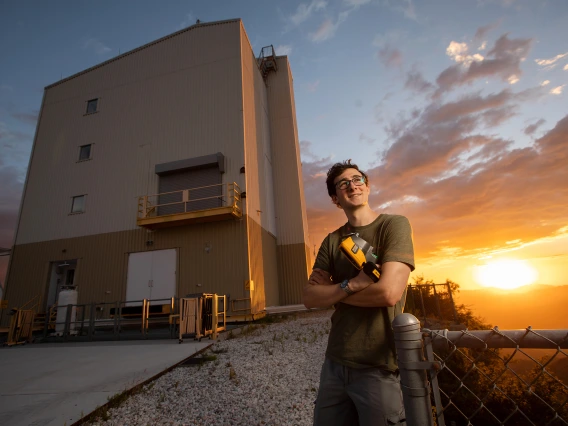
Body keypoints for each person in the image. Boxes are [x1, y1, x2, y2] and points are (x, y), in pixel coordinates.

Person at [303, 160, 415, 426]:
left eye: (358, 179)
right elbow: (309, 298)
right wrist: (352, 284)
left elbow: (388, 293)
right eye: (343, 184)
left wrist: (332, 294)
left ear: (367, 185)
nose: (352, 185)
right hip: (335, 362)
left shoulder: (393, 225)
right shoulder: (332, 241)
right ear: (335, 198)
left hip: (378, 366)